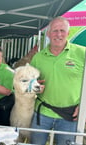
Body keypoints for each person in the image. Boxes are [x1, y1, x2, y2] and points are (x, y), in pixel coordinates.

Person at [30, 16, 86, 145]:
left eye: (62, 30)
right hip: (42, 113)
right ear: (48, 34)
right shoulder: (38, 57)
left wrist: (84, 106)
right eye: (55, 31)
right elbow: (29, 83)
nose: (58, 34)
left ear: (68, 33)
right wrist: (33, 85)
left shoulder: (82, 53)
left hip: (70, 115)